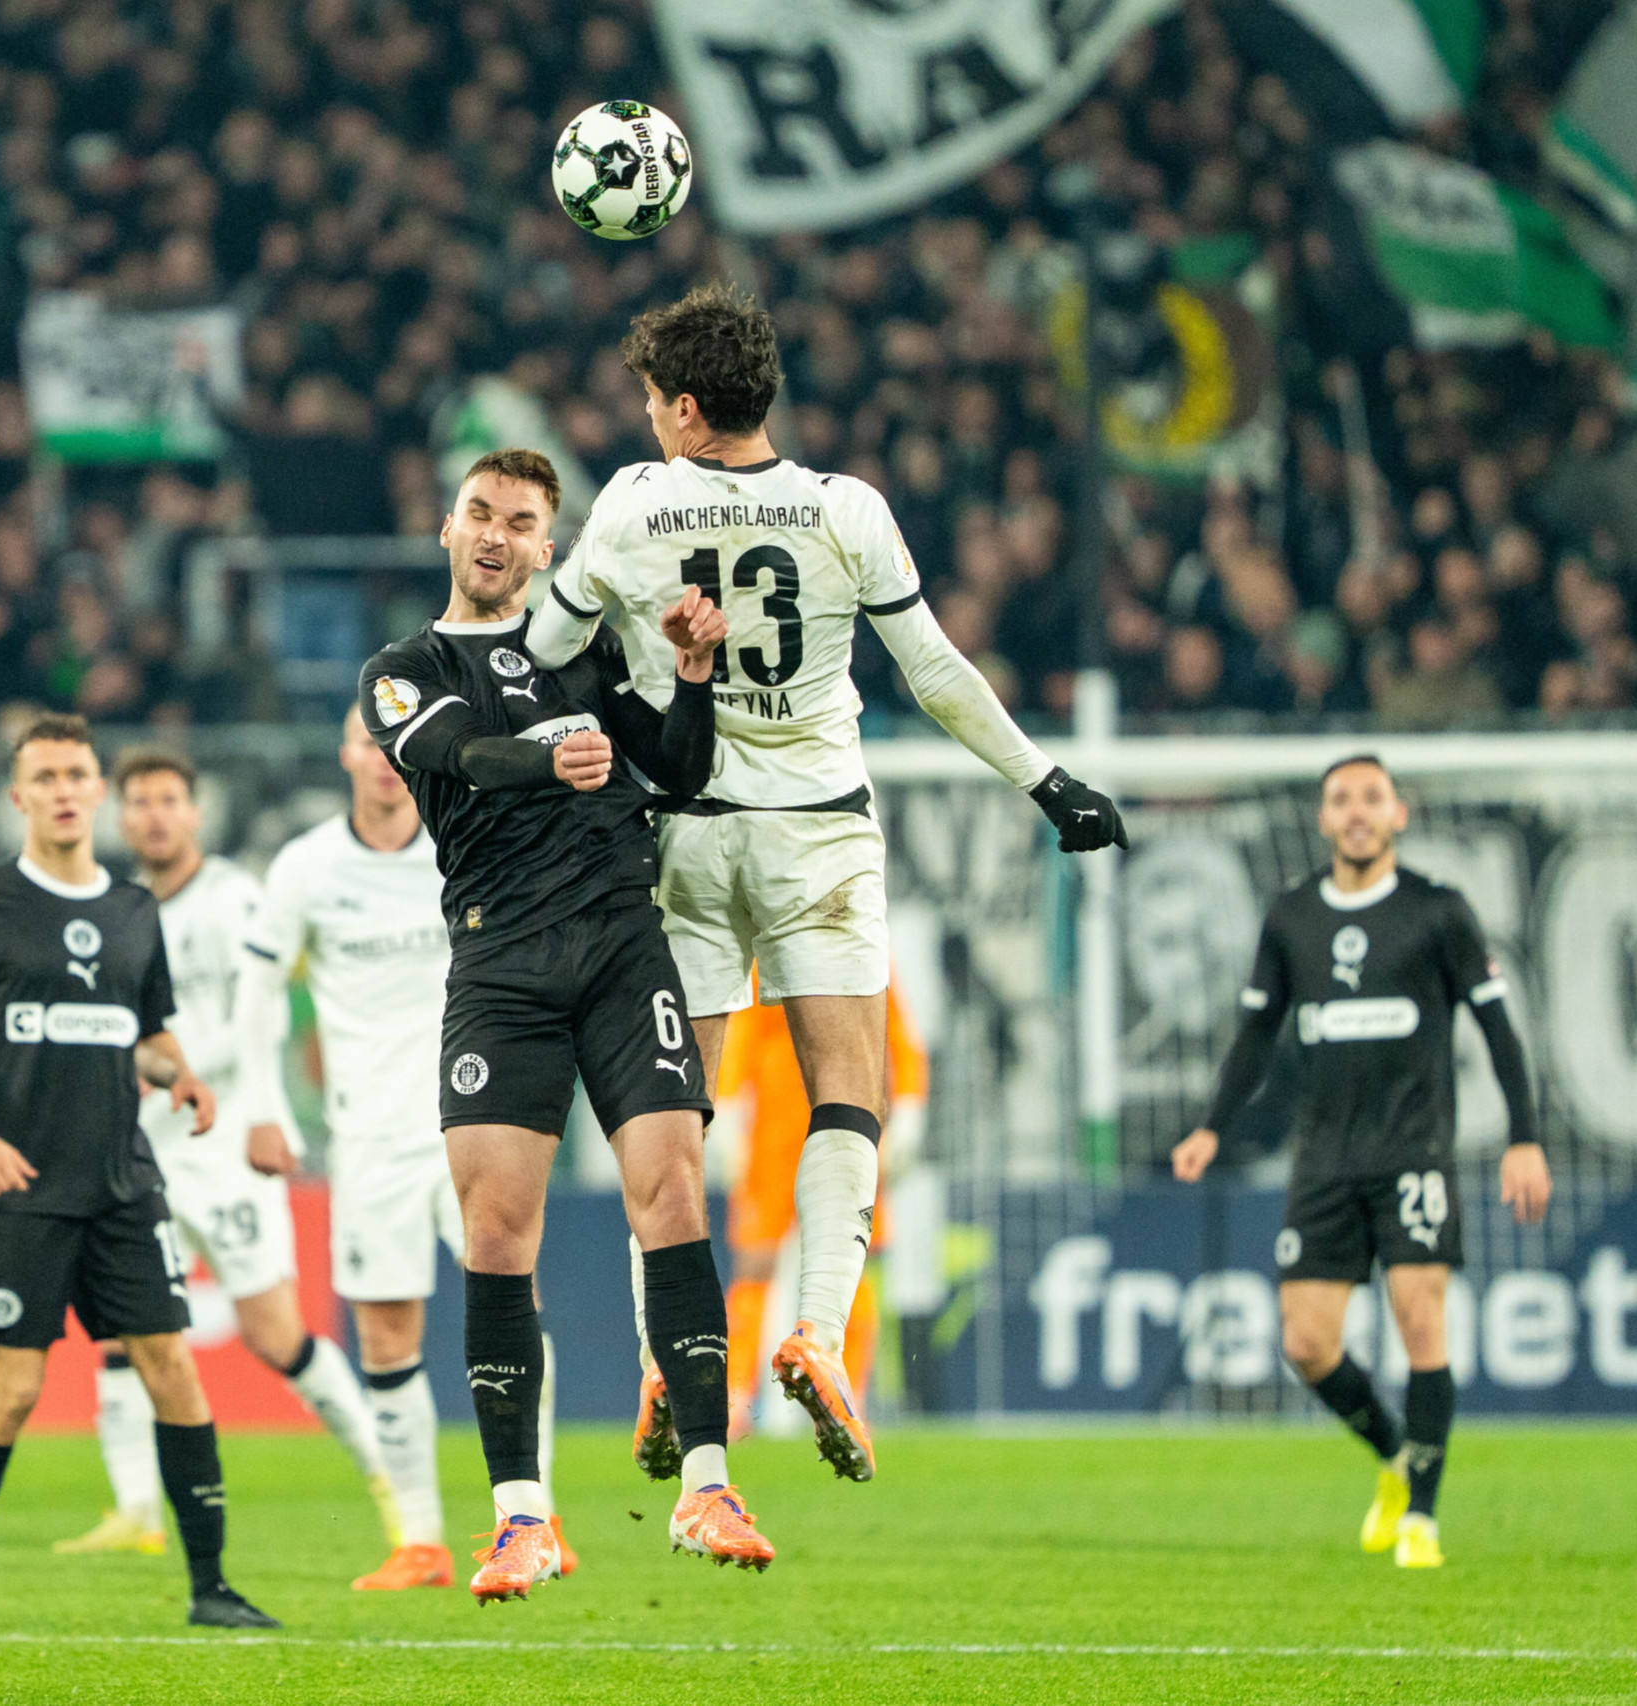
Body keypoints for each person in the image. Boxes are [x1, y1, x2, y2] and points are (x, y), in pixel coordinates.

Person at [524, 280, 1128, 1484]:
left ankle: (670, 1356)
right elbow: (937, 672)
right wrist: (1045, 780)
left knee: (670, 1108)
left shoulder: (635, 504)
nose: (649, 423)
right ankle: (816, 1327)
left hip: (686, 835)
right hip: (820, 831)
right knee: (848, 1089)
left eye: (653, 401)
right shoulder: (848, 508)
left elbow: (542, 650)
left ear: (686, 408)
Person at [359, 447, 767, 1603]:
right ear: (448, 528)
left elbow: (679, 769)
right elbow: (456, 755)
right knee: (496, 1232)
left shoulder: (590, 646)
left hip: (621, 946)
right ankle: (521, 1517)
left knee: (675, 1192)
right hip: (499, 962)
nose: (495, 533)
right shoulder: (405, 667)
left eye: (521, 521)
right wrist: (547, 754)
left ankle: (706, 1484)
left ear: (550, 546)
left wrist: (690, 675)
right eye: (479, 513)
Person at [0, 713, 272, 1630]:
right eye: (47, 777)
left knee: (173, 1368)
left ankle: (211, 1588)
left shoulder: (131, 909)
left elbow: (141, 1030)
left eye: (78, 774)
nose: (65, 791)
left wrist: (178, 1071)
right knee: (15, 1391)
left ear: (96, 791)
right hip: (15, 1186)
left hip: (121, 1181)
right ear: (18, 796)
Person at [1171, 754, 1552, 1569]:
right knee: (1306, 1344)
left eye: (1371, 798)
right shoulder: (1291, 917)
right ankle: (1393, 1454)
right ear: (1322, 818)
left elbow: (1498, 1029)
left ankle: (1422, 1515)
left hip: (1413, 1153)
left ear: (1398, 814)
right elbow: (1254, 1036)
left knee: (1421, 1319)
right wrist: (1212, 1127)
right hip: (1325, 1163)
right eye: (1341, 799)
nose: (1356, 812)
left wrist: (1525, 1136)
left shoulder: (1438, 912)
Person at [234, 703, 577, 1591]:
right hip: (370, 1134)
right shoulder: (307, 867)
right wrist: (264, 1108)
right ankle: (420, 1539)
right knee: (387, 1335)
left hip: (478, 1113)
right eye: (369, 743)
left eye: (398, 745)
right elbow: (258, 990)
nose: (386, 760)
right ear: (346, 752)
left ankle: (534, 1515)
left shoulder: (465, 835)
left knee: (514, 1301)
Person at [51, 748, 396, 1575]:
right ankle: (137, 1510)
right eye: (140, 802)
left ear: (195, 813)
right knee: (123, 1324)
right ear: (120, 817)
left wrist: (202, 1082)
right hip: (138, 1153)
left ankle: (391, 1479)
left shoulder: (236, 899)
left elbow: (264, 1015)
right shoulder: (114, 912)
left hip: (224, 1146)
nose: (156, 815)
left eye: (171, 798)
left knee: (275, 1335)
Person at [715, 971, 927, 1437]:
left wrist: (910, 1106)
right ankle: (734, 1398)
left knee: (854, 1263)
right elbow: (741, 1035)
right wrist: (727, 1105)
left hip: (849, 1126)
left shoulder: (864, 950)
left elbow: (897, 1036)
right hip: (772, 1135)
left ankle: (842, 1398)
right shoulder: (764, 959)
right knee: (755, 1265)